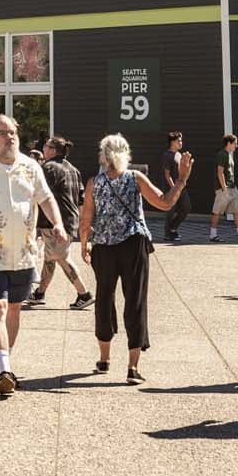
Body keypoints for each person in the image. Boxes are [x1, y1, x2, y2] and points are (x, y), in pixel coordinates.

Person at [0, 113, 66, 397]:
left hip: (25, 252)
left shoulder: (31, 167)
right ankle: (5, 369)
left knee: (15, 309)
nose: (10, 137)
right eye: (2, 132)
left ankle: (1, 360)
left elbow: (46, 198)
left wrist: (57, 223)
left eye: (13, 132)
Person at [79, 133, 192, 384]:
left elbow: (86, 219)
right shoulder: (135, 178)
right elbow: (164, 203)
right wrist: (182, 179)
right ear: (125, 154)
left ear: (104, 155)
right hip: (133, 244)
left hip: (104, 247)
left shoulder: (93, 183)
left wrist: (85, 244)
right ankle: (132, 367)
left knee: (104, 300)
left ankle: (104, 359)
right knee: (135, 301)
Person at [28, 136, 92, 310]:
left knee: (60, 258)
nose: (43, 149)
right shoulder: (73, 169)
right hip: (69, 221)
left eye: (46, 146)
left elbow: (37, 193)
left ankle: (84, 294)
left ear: (53, 150)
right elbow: (80, 199)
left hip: (54, 223)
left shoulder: (48, 168)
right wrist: (81, 220)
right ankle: (40, 293)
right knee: (51, 257)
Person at [210, 134, 238, 243]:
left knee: (237, 210)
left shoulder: (230, 155)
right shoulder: (222, 155)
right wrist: (224, 188)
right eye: (235, 143)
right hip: (223, 189)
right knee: (217, 211)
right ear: (229, 143)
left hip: (233, 188)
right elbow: (220, 172)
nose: (236, 146)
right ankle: (213, 235)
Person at [161, 131, 190, 244]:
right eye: (179, 141)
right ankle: (168, 234)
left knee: (186, 207)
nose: (181, 143)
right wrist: (174, 188)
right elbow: (167, 174)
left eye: (181, 140)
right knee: (170, 210)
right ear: (172, 142)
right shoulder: (167, 155)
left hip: (181, 187)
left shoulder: (179, 155)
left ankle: (172, 228)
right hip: (171, 188)